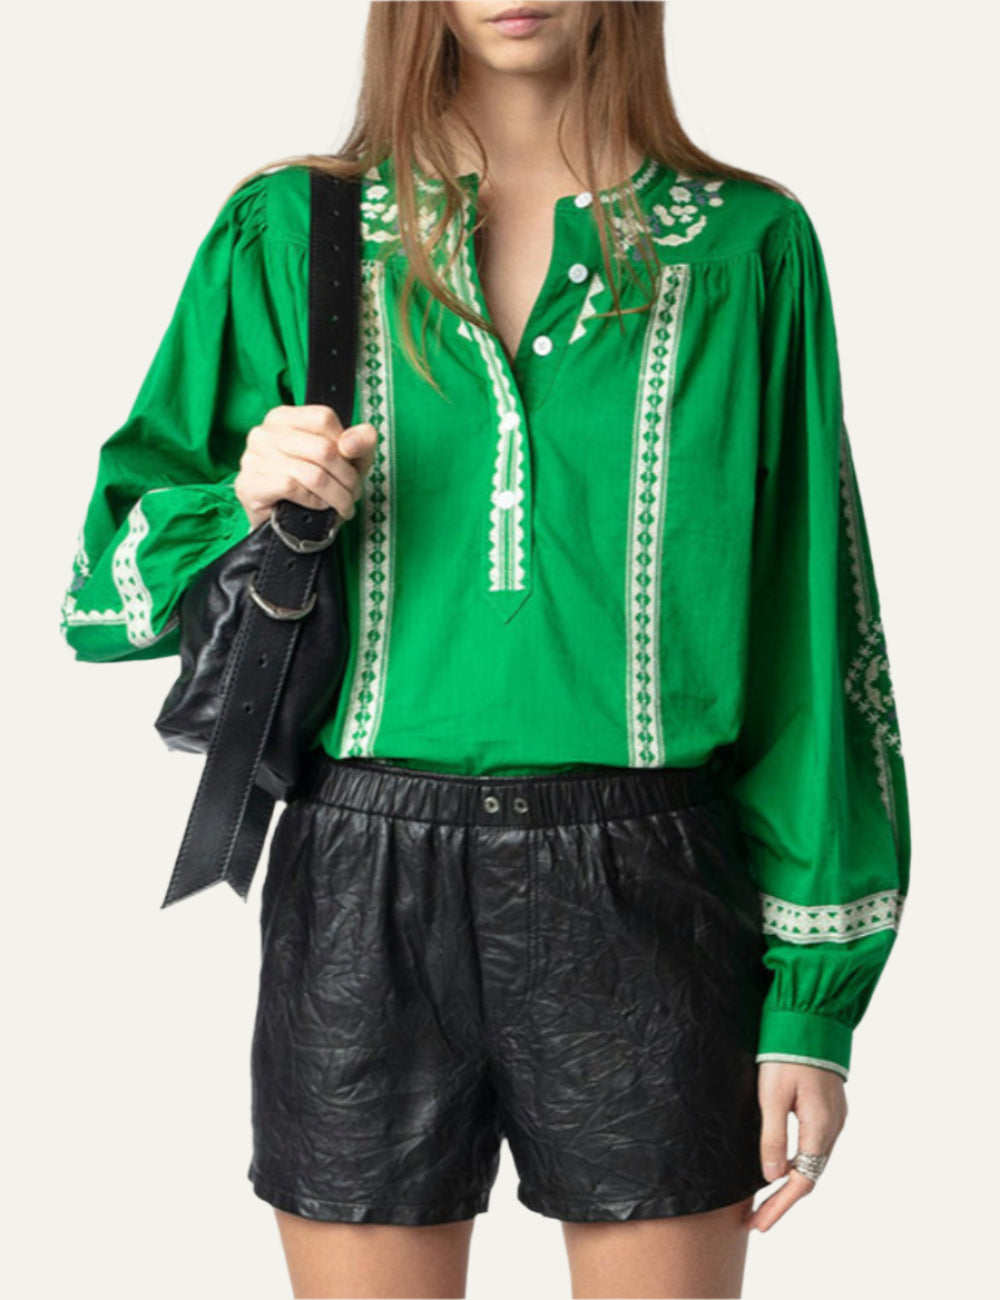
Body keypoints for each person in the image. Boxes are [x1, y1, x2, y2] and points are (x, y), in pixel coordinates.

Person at [58, 2, 911, 1297]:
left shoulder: (748, 248)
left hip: (652, 884)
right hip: (360, 884)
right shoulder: (294, 230)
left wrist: (812, 1005)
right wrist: (243, 494)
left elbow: (813, 634)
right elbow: (99, 592)